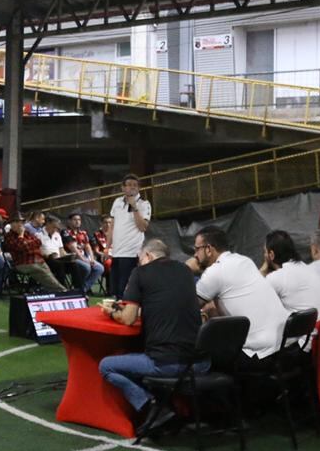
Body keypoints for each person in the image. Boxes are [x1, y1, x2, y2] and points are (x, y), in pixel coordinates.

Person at [100, 238, 205, 435]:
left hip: (168, 363)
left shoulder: (140, 273)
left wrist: (112, 312)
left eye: (140, 259)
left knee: (106, 366)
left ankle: (153, 405)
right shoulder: (184, 271)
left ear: (147, 256)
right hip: (199, 361)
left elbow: (129, 319)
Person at [190, 226, 288, 360]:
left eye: (196, 249)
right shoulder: (244, 260)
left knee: (203, 355)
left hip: (258, 351)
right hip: (282, 343)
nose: (194, 255)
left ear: (208, 249)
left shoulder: (215, 272)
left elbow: (188, 306)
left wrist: (186, 269)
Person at [261, 230, 320, 318]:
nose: (264, 255)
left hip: (307, 330)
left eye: (265, 252)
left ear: (271, 254)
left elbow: (257, 298)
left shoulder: (276, 277)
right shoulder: (309, 268)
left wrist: (262, 272)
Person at [107, 174, 151, 299]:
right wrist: (107, 247)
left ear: (139, 188)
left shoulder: (144, 204)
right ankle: (118, 311)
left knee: (125, 288)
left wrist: (135, 207)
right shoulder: (117, 202)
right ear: (123, 188)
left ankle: (127, 314)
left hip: (132, 252)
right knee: (115, 289)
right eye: (129, 185)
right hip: (116, 251)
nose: (132, 188)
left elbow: (143, 227)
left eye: (135, 185)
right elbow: (112, 226)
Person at [3, 213, 66, 292]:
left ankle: (54, 290)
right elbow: (21, 246)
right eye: (17, 222)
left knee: (48, 272)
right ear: (11, 224)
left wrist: (26, 243)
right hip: (23, 263)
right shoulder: (9, 236)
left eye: (21, 222)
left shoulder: (27, 233)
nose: (20, 224)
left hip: (38, 259)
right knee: (41, 272)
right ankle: (61, 290)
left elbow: (38, 242)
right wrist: (21, 235)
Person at [63, 212, 105, 294]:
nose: (77, 221)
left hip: (84, 256)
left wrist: (91, 259)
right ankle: (79, 287)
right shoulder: (66, 232)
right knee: (86, 267)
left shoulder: (83, 232)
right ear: (69, 221)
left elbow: (87, 246)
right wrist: (84, 260)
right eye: (74, 220)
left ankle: (83, 288)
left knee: (99, 268)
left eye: (79, 220)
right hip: (73, 258)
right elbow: (73, 248)